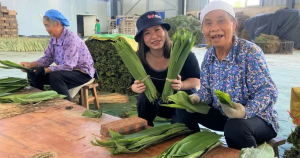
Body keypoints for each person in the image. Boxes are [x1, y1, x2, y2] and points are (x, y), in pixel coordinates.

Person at [177, 1, 279, 150]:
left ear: (233, 24)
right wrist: (198, 97)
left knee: (235, 127)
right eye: (208, 23)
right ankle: (193, 150)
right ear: (203, 29)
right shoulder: (209, 56)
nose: (214, 28)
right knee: (184, 108)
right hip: (224, 116)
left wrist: (245, 111)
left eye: (221, 21)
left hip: (258, 120)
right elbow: (206, 90)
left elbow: (269, 92)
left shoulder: (249, 52)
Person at [131, 11, 200, 127]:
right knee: (143, 98)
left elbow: (196, 80)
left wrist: (182, 85)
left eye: (157, 29)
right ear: (142, 38)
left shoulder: (182, 53)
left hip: (182, 103)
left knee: (180, 131)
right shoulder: (138, 58)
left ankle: (182, 129)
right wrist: (135, 87)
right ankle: (145, 128)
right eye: (147, 33)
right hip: (158, 104)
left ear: (165, 31)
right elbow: (134, 82)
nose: (154, 36)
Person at [20, 9, 95, 101]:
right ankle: (39, 102)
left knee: (55, 76)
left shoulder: (71, 39)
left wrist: (44, 70)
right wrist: (30, 65)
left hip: (82, 73)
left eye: (47, 26)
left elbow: (68, 66)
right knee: (33, 72)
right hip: (66, 71)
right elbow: (48, 58)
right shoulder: (53, 39)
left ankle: (66, 106)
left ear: (57, 24)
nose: (46, 29)